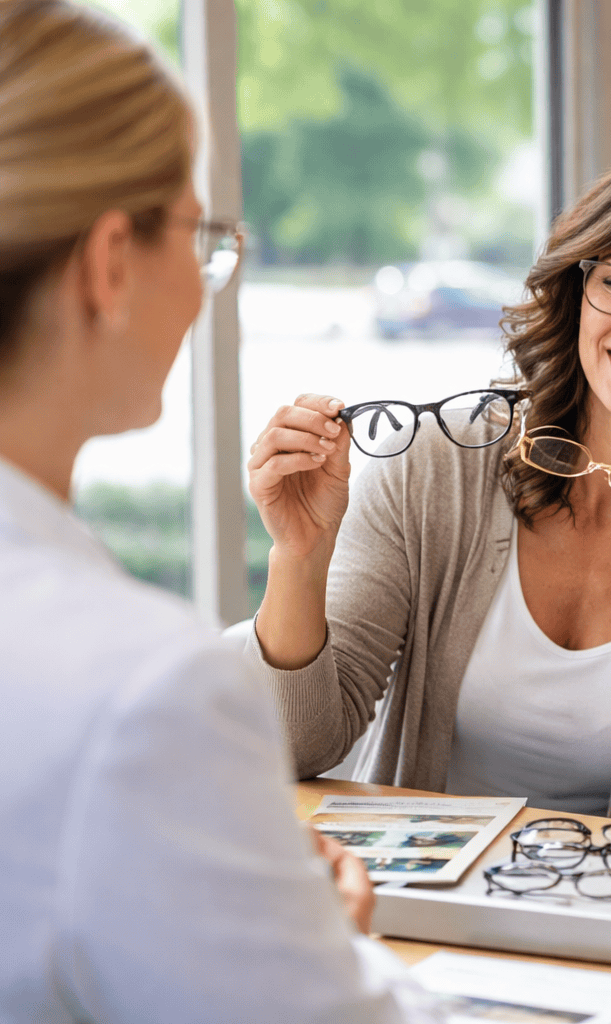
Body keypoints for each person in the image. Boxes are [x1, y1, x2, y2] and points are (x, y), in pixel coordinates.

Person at [0, 2, 442, 1020]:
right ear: (111, 263)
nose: (207, 284)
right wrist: (319, 938)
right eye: (201, 237)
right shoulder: (145, 694)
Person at [241, 148, 611, 825]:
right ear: (579, 292)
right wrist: (299, 553)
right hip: (418, 907)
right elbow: (294, 749)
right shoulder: (435, 470)